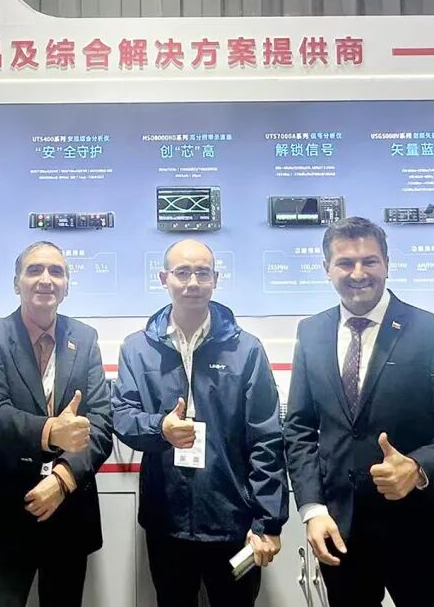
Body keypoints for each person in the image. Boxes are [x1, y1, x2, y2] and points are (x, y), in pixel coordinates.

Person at [284, 216, 434, 607]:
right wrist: (312, 509)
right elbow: (299, 429)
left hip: (421, 535)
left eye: (370, 261)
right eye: (345, 263)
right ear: (327, 269)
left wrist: (418, 466)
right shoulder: (311, 332)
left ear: (387, 264)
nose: (358, 273)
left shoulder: (433, 333)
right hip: (340, 535)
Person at [112, 239, 287, 607]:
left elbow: (266, 439)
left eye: (202, 273)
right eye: (182, 272)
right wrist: (160, 428)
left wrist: (268, 521)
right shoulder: (137, 349)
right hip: (166, 520)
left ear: (215, 280)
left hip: (232, 520)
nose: (192, 282)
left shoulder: (246, 350)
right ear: (164, 278)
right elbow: (123, 416)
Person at [0, 241, 113, 607]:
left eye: (56, 271)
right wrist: (50, 432)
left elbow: (101, 422)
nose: (46, 279)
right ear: (17, 283)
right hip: (4, 512)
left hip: (68, 510)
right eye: (34, 270)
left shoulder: (84, 339)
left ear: (66, 285)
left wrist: (63, 479)